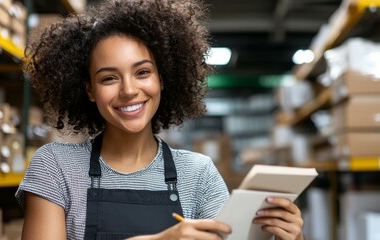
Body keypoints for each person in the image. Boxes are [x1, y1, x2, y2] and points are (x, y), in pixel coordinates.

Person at [15, 0, 304, 239]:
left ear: (163, 78)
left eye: (142, 72)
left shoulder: (198, 174)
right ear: (89, 90)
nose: (129, 90)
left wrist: (288, 236)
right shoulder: (55, 166)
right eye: (109, 78)